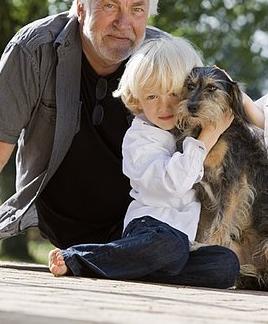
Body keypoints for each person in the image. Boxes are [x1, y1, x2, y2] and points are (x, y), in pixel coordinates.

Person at [0, 0, 268, 259]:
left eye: (137, 9)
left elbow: (263, 148)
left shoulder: (168, 57)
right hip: (64, 223)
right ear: (80, 8)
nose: (123, 22)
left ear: (149, 14)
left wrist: (235, 94)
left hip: (154, 226)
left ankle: (128, 260)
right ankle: (90, 258)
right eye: (110, 5)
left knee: (220, 261)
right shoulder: (35, 51)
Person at [49, 35, 241, 288]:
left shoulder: (187, 130)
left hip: (184, 242)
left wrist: (233, 90)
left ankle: (135, 268)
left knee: (225, 264)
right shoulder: (139, 138)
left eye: (174, 93)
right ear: (137, 99)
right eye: (152, 97)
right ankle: (79, 258)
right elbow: (174, 183)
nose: (165, 106)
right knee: (168, 246)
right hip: (150, 229)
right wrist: (207, 139)